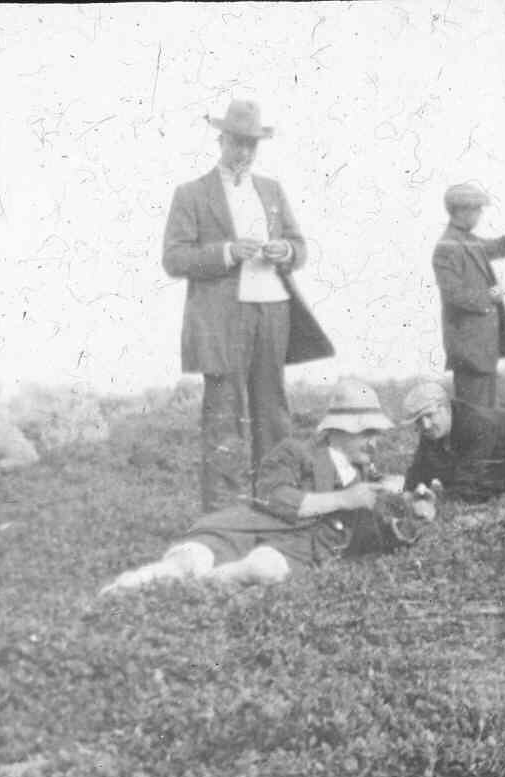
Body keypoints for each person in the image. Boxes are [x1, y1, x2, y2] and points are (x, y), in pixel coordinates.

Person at [100, 380, 434, 595]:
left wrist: (412, 516)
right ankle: (125, 592)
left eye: (376, 433)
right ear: (337, 430)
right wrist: (342, 499)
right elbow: (274, 496)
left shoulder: (364, 479)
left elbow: (369, 536)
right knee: (189, 560)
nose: (374, 442)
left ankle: (208, 587)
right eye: (366, 432)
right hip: (247, 530)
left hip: (294, 553)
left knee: (264, 568)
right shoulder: (296, 452)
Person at [163, 99, 335, 512]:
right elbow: (174, 258)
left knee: (273, 411)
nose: (243, 151)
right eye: (237, 142)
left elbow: (299, 246)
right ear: (221, 140)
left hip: (274, 310)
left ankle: (276, 501)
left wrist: (285, 251)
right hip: (223, 321)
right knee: (224, 413)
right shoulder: (191, 194)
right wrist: (227, 252)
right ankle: (223, 514)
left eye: (251, 144)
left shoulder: (271, 190)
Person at [432, 183, 505, 408]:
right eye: (477, 209)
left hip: (482, 351)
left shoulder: (467, 241)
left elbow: (502, 247)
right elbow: (454, 295)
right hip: (470, 354)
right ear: (461, 211)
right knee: (475, 416)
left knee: (484, 417)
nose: (480, 214)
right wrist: (489, 296)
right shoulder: (447, 246)